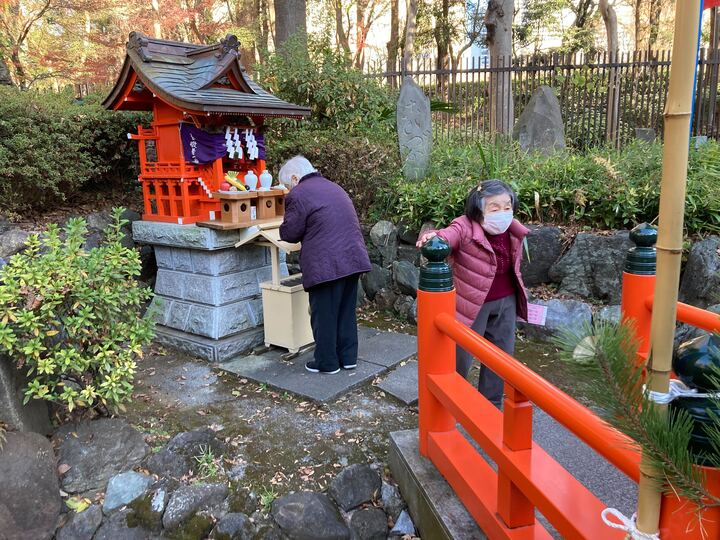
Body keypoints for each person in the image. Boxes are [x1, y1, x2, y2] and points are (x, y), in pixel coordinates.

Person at [416, 179, 529, 407]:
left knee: (501, 356)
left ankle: (491, 405)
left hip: (506, 299)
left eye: (507, 207)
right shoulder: (465, 226)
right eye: (494, 208)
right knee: (459, 356)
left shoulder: (512, 229)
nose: (503, 213)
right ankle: (445, 402)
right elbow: (449, 234)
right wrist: (434, 237)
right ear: (478, 209)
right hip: (472, 302)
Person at [278, 155, 372, 374]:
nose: (288, 190)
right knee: (345, 312)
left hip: (326, 264)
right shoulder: (333, 187)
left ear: (295, 178)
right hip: (352, 258)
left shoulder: (299, 193)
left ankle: (326, 363)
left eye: (287, 185)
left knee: (324, 315)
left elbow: (289, 233)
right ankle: (348, 358)